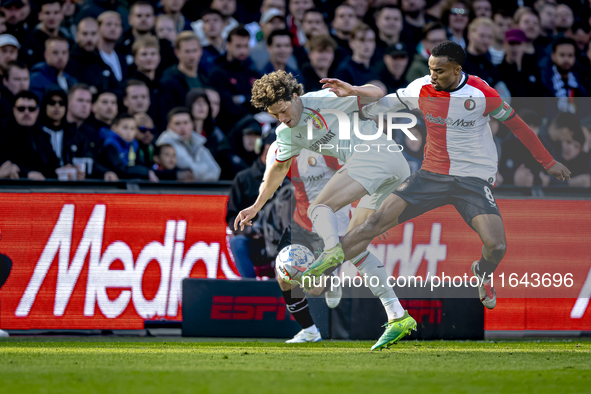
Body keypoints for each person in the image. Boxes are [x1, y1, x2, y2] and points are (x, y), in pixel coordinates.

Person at [302, 42, 571, 344]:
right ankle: (323, 268)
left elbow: (518, 126)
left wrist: (548, 162)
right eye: (430, 69)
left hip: (473, 180)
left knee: (496, 246)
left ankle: (481, 271)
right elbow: (385, 103)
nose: (432, 76)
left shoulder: (481, 93)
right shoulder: (422, 87)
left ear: (457, 70)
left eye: (439, 71)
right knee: (372, 225)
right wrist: (353, 93)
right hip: (431, 176)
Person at [233, 70, 414, 351]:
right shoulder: (287, 133)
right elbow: (277, 169)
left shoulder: (324, 99)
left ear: (295, 96)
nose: (281, 118)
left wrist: (353, 89)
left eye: (282, 110)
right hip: (390, 169)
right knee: (354, 246)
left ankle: (330, 255)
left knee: (320, 206)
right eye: (275, 115)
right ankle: (397, 315)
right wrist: (256, 206)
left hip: (377, 155)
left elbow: (378, 94)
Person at [266, 140, 349, 343]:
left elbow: (355, 177)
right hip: (300, 222)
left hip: (329, 224)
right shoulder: (281, 149)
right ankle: (310, 330)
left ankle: (331, 278)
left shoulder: (327, 148)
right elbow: (271, 179)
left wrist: (370, 211)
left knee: (314, 289)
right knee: (283, 275)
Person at [208, 26, 261, 133]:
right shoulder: (218, 74)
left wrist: (242, 99)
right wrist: (251, 104)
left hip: (257, 129)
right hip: (230, 131)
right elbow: (228, 108)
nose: (242, 51)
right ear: (228, 45)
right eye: (238, 46)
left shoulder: (254, 73)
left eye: (245, 46)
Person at [186, 87, 245, 179]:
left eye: (205, 103)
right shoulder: (184, 132)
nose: (202, 106)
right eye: (197, 103)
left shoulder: (216, 134)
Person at [156, 107, 221, 182]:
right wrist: (204, 169)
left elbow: (215, 171)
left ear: (192, 124)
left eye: (185, 123)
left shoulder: (197, 141)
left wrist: (195, 176)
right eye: (177, 123)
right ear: (169, 126)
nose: (182, 127)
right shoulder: (165, 141)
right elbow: (187, 166)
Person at [65, 17, 121, 95]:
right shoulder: (69, 61)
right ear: (77, 36)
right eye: (85, 34)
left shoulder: (102, 63)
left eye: (93, 34)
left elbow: (118, 90)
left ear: (99, 35)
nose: (89, 38)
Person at [99, 112, 158, 180]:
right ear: (114, 128)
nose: (129, 132)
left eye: (132, 128)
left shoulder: (134, 144)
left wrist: (146, 171)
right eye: (125, 128)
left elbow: (141, 164)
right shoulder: (109, 144)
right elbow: (120, 169)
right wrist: (146, 171)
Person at [160, 31, 204, 114]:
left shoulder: (205, 75)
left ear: (200, 51)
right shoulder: (169, 80)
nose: (191, 56)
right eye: (187, 51)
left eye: (194, 51)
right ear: (177, 52)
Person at [97, 11, 127, 83]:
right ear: (98, 27)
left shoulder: (122, 58)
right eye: (108, 24)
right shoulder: (92, 56)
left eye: (117, 25)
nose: (113, 28)